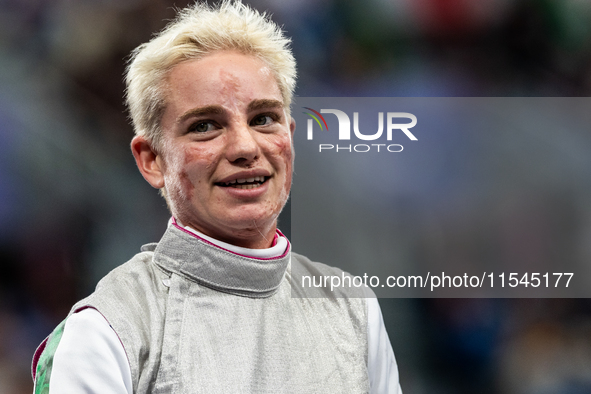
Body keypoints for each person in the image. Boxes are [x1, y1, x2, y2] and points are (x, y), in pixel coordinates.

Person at [31, 1, 402, 392]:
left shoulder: (352, 307)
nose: (245, 146)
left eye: (263, 119)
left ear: (289, 137)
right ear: (152, 160)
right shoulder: (106, 328)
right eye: (205, 126)